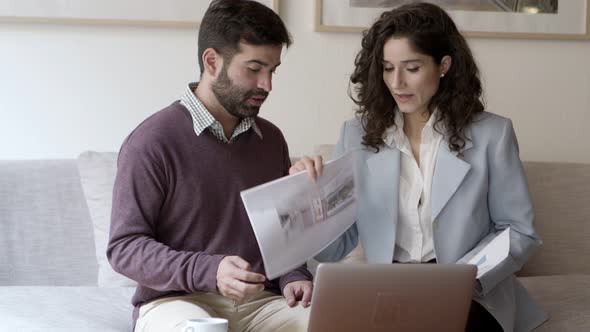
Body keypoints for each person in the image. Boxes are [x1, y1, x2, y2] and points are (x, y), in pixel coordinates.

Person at [291, 2, 547, 332]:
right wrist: (310, 196)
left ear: (444, 65)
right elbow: (336, 247)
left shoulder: (492, 134)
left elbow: (518, 231)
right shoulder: (356, 135)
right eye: (387, 68)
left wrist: (465, 281)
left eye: (411, 68)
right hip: (386, 290)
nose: (397, 82)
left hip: (472, 291)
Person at [107, 1, 312, 331]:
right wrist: (208, 270)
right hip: (174, 301)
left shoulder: (271, 140)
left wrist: (294, 276)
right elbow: (124, 248)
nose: (267, 85)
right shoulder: (152, 142)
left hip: (260, 303)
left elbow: (280, 239)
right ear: (212, 61)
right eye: (255, 68)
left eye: (272, 70)